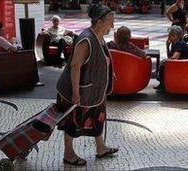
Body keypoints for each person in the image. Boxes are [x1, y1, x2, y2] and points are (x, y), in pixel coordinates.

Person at [56, 4, 118, 166]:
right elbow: (75, 67)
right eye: (110, 22)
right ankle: (68, 154)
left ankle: (101, 148)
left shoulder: (99, 36)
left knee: (97, 118)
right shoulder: (86, 39)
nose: (112, 26)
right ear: (98, 22)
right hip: (78, 89)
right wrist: (75, 93)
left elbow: (100, 60)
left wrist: (108, 74)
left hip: (94, 91)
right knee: (72, 122)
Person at [154, 25, 188, 92]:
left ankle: (164, 87)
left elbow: (175, 57)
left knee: (163, 66)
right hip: (181, 63)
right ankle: (162, 84)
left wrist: (165, 61)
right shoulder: (174, 44)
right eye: (169, 35)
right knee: (163, 64)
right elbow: (170, 57)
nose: (169, 37)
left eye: (171, 36)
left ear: (177, 36)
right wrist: (167, 46)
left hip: (185, 64)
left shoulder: (180, 44)